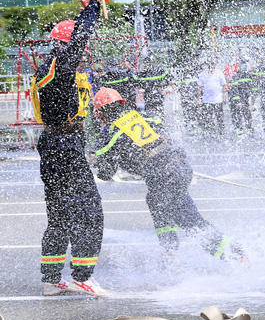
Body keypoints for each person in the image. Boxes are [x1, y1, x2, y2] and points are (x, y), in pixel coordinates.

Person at [93, 88, 240, 258]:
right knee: (157, 202)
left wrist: (97, 160)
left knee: (187, 220)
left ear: (102, 113)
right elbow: (160, 131)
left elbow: (105, 173)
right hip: (178, 164)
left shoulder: (109, 132)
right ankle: (170, 249)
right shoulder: (141, 114)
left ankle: (233, 254)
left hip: (163, 174)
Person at [32, 0, 107, 297]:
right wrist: (91, 8)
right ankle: (82, 276)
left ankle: (51, 280)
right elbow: (80, 38)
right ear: (65, 46)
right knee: (91, 213)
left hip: (52, 148)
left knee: (60, 215)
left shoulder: (46, 70)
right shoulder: (62, 65)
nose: (83, 55)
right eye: (79, 50)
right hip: (64, 149)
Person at [197, 61, 227, 137]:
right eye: (210, 64)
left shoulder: (219, 73)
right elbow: (200, 87)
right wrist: (199, 99)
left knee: (219, 117)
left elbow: (224, 85)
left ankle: (221, 133)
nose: (212, 66)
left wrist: (224, 97)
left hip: (218, 99)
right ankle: (211, 132)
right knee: (208, 117)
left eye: (213, 64)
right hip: (207, 100)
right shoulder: (203, 74)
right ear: (207, 65)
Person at [228, 56, 254, 136]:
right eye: (242, 64)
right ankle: (239, 129)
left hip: (246, 98)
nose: (244, 65)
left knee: (247, 113)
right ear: (239, 65)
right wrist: (238, 101)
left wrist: (252, 99)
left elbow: (252, 86)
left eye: (245, 63)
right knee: (238, 114)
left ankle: (249, 128)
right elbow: (234, 90)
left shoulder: (249, 75)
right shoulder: (236, 76)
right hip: (238, 99)